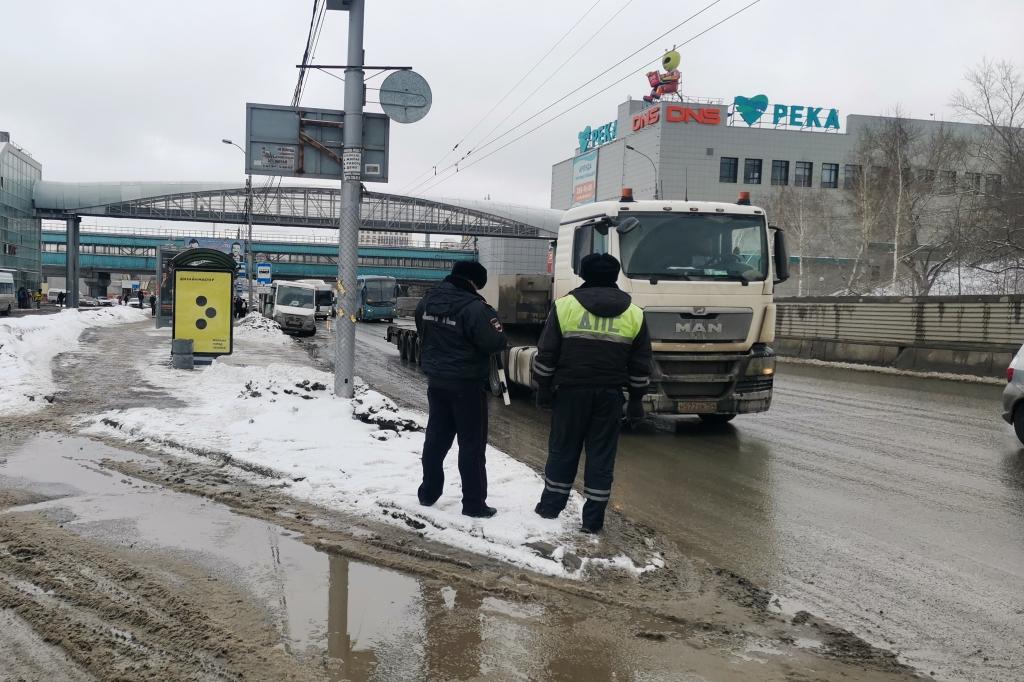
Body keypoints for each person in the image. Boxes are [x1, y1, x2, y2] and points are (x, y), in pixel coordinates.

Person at [532, 253, 652, 533]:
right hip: (610, 396)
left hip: (570, 393)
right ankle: (593, 521)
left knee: (563, 450)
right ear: (615, 276)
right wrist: (636, 400)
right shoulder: (635, 313)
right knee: (601, 456)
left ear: (583, 274)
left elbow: (547, 354)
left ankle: (550, 509)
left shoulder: (564, 307)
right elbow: (641, 363)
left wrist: (544, 389)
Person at [415, 261, 507, 518]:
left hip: (437, 381)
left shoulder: (427, 301)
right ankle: (474, 504)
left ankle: (428, 493)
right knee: (472, 445)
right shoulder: (475, 308)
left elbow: (423, 332)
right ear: (475, 282)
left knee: (435, 439)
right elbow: (495, 342)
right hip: (467, 384)